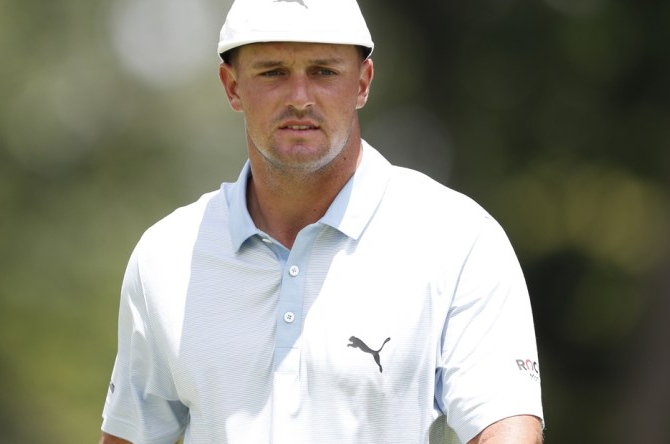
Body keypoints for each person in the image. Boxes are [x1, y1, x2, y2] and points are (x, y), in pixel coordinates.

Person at [100, 0, 544, 442]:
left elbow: (505, 429)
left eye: (324, 72)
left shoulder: (459, 239)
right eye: (273, 72)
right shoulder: (166, 257)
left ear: (362, 83)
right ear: (232, 86)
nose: (299, 98)